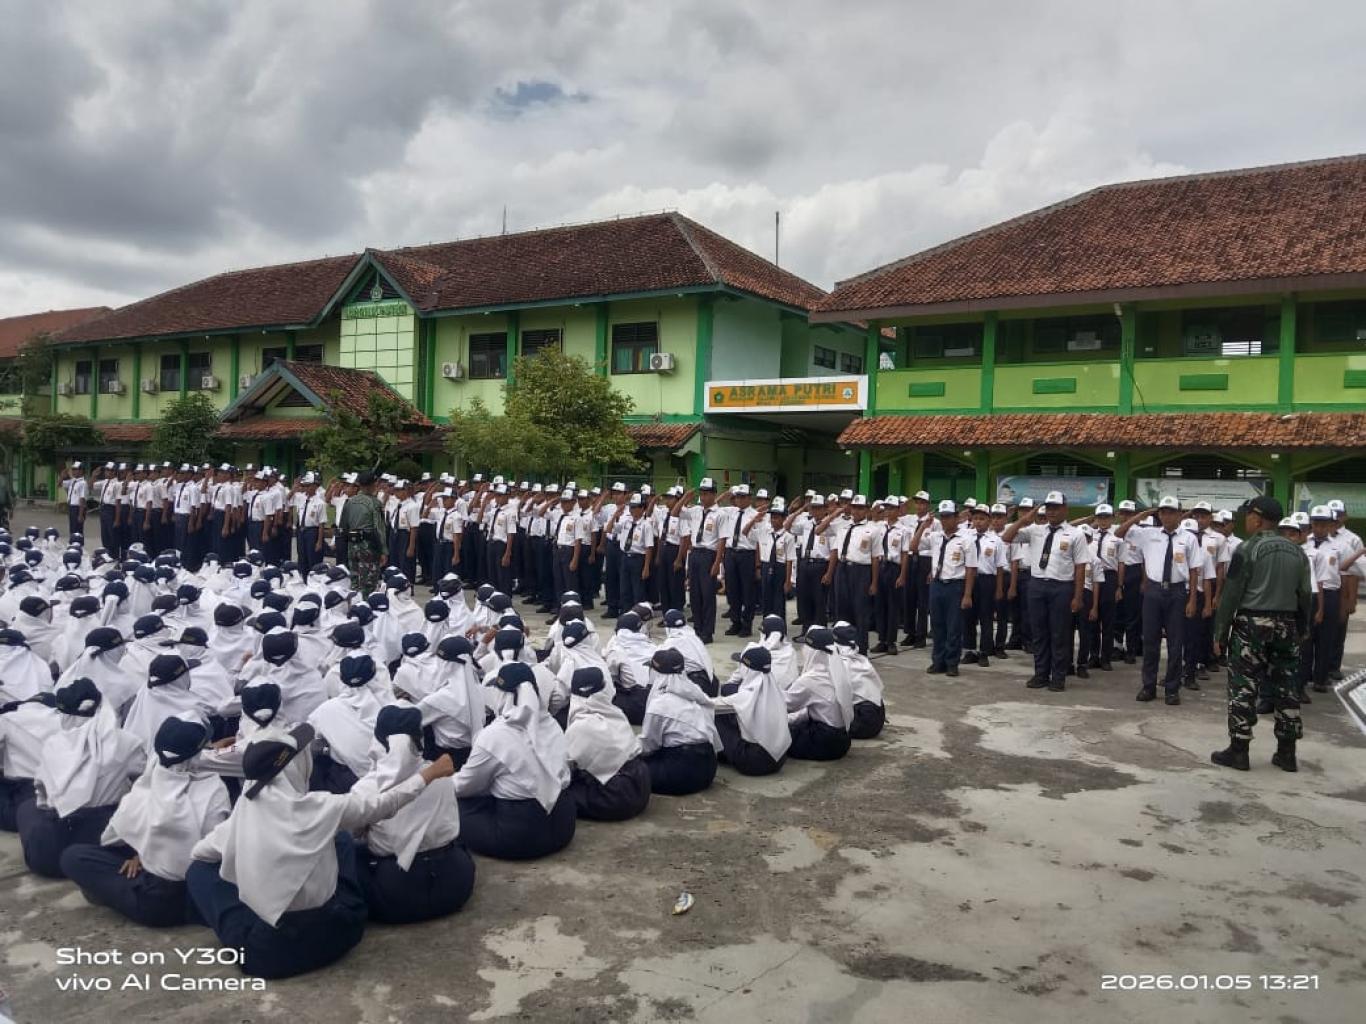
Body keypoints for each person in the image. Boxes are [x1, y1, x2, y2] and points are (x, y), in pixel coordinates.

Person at [186, 723, 454, 978]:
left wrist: (246, 855)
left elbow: (200, 853)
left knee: (198, 872)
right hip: (339, 934)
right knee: (341, 840)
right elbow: (384, 803)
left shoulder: (242, 816)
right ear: (294, 767)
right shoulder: (323, 807)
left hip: (268, 955)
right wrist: (427, 775)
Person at [60, 716, 231, 927]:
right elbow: (213, 851)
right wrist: (142, 853)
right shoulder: (214, 789)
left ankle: (114, 894)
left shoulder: (151, 779)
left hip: (158, 898)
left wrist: (142, 853)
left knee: (74, 857)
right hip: (195, 892)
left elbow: (116, 832)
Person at [1211, 495, 1312, 773]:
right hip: (1287, 625)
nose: (1246, 520)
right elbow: (1305, 595)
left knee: (1243, 686)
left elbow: (1231, 595)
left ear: (1257, 518)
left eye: (1248, 515)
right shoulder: (1298, 552)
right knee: (1287, 687)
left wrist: (1219, 632)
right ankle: (1287, 753)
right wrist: (1303, 628)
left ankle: (1239, 751)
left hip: (1251, 624)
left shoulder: (1247, 549)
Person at [353, 706, 475, 924]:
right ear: (420, 739)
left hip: (396, 894)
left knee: (346, 847)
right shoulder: (441, 772)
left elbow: (355, 833)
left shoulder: (366, 788)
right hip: (456, 884)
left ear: (379, 742)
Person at [17, 679, 144, 878]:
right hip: (102, 842)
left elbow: (42, 796)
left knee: (27, 808)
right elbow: (144, 784)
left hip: (48, 855)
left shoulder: (53, 744)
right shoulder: (125, 743)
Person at [452, 662, 576, 860]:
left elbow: (466, 786)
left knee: (454, 807)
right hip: (563, 822)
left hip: (519, 834)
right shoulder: (551, 723)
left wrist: (443, 783)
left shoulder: (494, 735)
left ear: (505, 695)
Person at [1114, 497, 1205, 705]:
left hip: (1177, 592)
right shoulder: (1148, 534)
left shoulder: (1188, 538)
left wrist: (1192, 600)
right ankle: (1148, 686)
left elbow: (1194, 570)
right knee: (1150, 642)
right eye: (1163, 512)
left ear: (1180, 515)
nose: (1167, 516)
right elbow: (1119, 533)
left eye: (1171, 512)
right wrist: (1143, 515)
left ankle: (1172, 689)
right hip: (1153, 592)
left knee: (1175, 643)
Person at [1001, 491, 1092, 693]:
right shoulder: (1035, 530)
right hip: (1037, 585)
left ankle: (1058, 676)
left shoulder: (1075, 534)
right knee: (1039, 632)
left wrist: (1077, 596)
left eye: (1056, 507)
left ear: (1065, 509)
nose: (1051, 511)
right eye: (1048, 507)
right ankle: (1041, 673)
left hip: (1062, 587)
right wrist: (1023, 519)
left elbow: (1080, 567)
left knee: (1059, 633)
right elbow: (1006, 537)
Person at [564, 666, 651, 821]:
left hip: (617, 798)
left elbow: (565, 770)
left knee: (560, 797)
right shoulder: (616, 712)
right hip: (641, 784)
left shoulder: (580, 725)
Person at [639, 647, 721, 795]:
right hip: (709, 768)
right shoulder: (694, 691)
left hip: (680, 773)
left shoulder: (659, 704)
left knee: (632, 770)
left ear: (657, 673)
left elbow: (649, 745)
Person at [914, 500, 976, 677]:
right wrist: (924, 526)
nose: (945, 520)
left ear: (957, 518)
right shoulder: (935, 537)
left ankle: (952, 663)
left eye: (949, 517)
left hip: (955, 585)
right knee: (937, 625)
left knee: (953, 627)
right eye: (942, 517)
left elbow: (971, 568)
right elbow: (913, 546)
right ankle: (937, 661)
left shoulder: (966, 540)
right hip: (937, 585)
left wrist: (967, 595)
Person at [711, 644, 790, 776]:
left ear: (747, 669)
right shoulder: (775, 689)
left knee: (715, 718)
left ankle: (716, 754)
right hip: (779, 758)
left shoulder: (746, 695)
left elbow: (710, 705)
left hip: (754, 762)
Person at [783, 627, 853, 760]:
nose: (803, 649)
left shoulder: (811, 679)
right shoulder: (839, 671)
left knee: (777, 734)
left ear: (813, 652)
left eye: (806, 646)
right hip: (843, 741)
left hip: (823, 742)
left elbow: (785, 704)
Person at [677, 479, 724, 644]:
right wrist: (685, 498)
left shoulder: (720, 514)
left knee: (708, 595)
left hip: (709, 555)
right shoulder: (696, 510)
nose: (703, 497)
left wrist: (717, 564)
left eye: (706, 494)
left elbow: (722, 541)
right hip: (695, 554)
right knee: (695, 594)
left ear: (713, 494)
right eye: (701, 494)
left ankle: (707, 632)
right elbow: (674, 513)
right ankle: (697, 629)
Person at [338, 472, 388, 595]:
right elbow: (379, 528)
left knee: (354, 581)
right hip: (369, 546)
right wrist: (384, 551)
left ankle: (354, 606)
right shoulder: (375, 503)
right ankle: (365, 610)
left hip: (352, 545)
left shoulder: (349, 502)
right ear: (373, 484)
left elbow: (343, 525)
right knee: (369, 583)